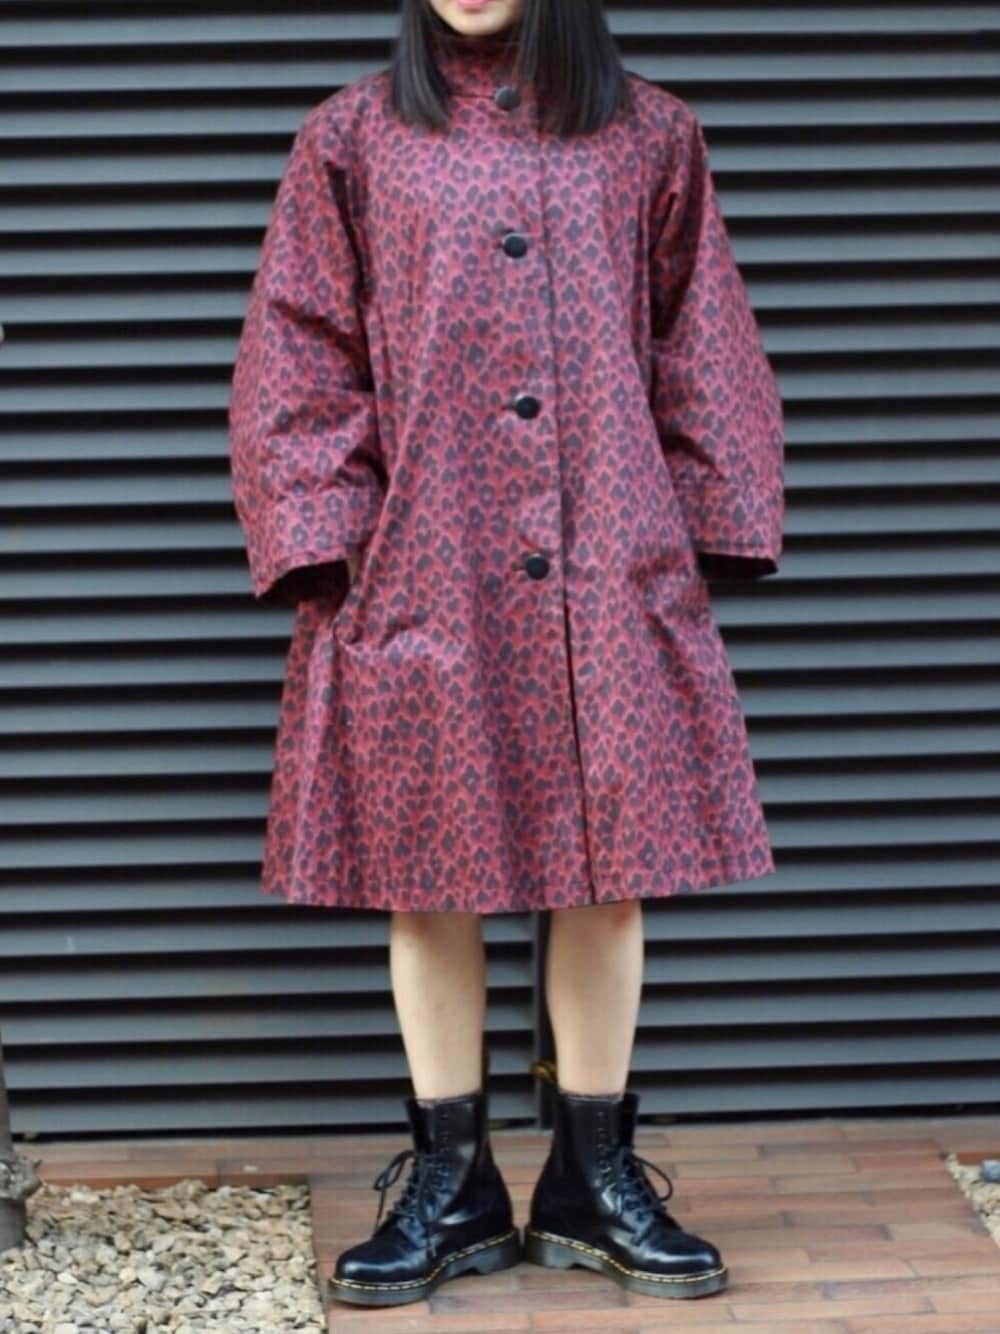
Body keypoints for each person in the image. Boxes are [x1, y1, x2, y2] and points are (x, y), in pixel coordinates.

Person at [227, 0, 785, 1310]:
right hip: (426, 559)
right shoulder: (354, 139)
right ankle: (453, 1181)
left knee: (610, 870)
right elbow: (300, 346)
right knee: (428, 874)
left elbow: (701, 339)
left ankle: (594, 1176)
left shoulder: (648, 135)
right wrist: (332, 537)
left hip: (610, 555)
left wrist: (703, 520)